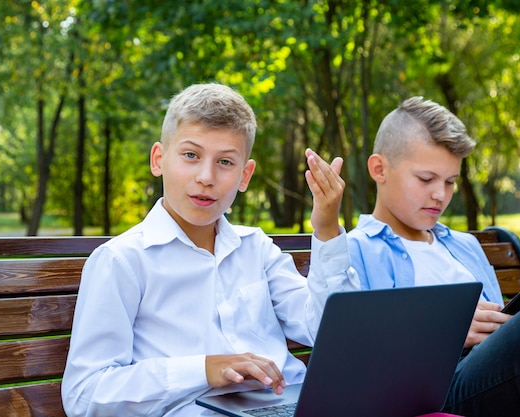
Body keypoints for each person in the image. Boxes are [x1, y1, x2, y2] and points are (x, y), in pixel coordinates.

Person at [61, 83, 359, 417]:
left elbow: (330, 334)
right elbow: (85, 394)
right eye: (190, 155)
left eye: (226, 162)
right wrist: (203, 369)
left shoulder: (256, 248)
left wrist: (327, 229)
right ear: (158, 159)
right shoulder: (123, 261)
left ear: (245, 176)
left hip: (289, 406)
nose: (206, 177)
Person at [347, 96, 520, 417]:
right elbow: (354, 360)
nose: (440, 195)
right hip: (430, 392)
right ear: (379, 169)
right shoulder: (355, 250)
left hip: (501, 376)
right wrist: (444, 334)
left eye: (450, 182)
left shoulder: (465, 246)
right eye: (426, 179)